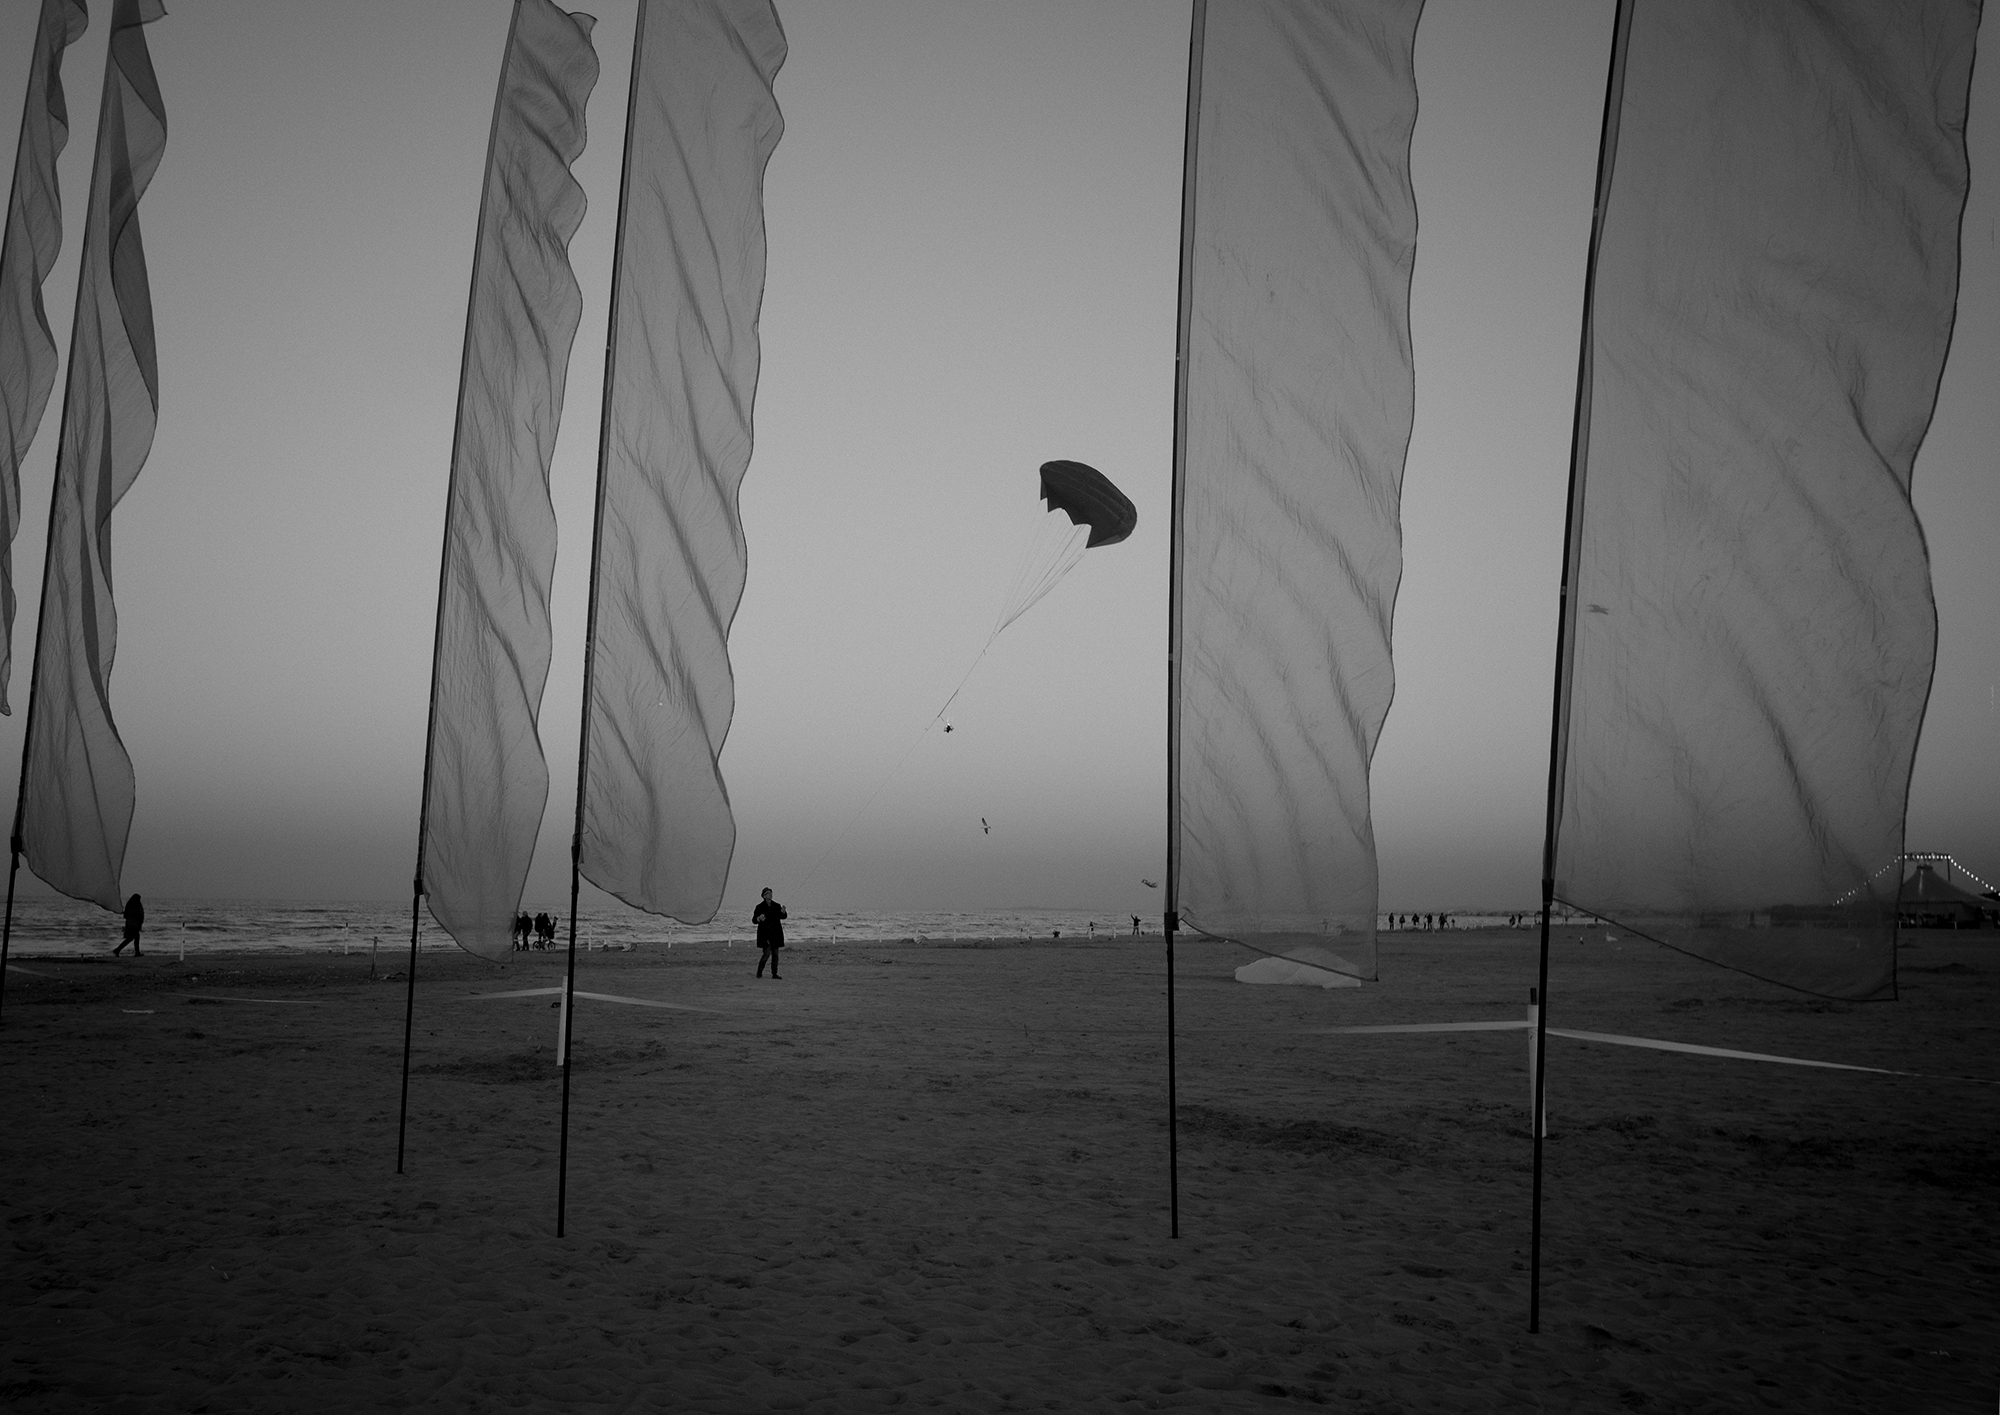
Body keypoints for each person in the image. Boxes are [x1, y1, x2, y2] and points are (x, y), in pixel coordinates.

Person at [753, 887, 787, 978]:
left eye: (771, 893)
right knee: (767, 953)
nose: (770, 894)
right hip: (765, 934)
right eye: (768, 893)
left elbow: (783, 916)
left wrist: (783, 912)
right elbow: (754, 920)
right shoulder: (759, 907)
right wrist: (759, 918)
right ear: (764, 896)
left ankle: (774, 974)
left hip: (776, 933)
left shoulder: (776, 905)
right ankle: (759, 972)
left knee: (775, 955)